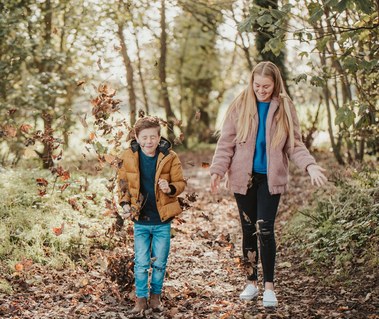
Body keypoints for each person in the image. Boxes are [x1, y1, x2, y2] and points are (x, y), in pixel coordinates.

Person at [210, 61, 327, 307]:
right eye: (257, 85)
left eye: (266, 86)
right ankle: (251, 282)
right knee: (248, 229)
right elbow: (226, 143)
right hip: (244, 178)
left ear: (275, 84)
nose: (261, 90)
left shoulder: (284, 106)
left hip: (270, 179)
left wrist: (310, 165)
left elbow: (294, 145)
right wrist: (217, 171)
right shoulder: (240, 105)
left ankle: (269, 287)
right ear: (251, 83)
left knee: (265, 229)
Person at [117, 116, 186, 314]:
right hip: (140, 220)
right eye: (144, 137)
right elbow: (122, 184)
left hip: (162, 220)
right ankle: (140, 299)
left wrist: (170, 187)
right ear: (137, 137)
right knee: (141, 262)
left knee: (160, 262)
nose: (149, 141)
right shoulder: (128, 156)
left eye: (153, 137)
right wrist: (125, 204)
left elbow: (180, 183)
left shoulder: (169, 157)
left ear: (159, 137)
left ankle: (155, 298)